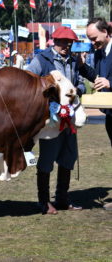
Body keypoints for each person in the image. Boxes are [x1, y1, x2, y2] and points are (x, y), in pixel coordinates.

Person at [26, 26, 86, 215]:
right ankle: (43, 202)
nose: (66, 46)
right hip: (52, 120)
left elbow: (80, 81)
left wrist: (79, 90)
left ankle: (62, 198)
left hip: (71, 118)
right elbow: (29, 80)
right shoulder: (41, 59)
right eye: (62, 42)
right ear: (54, 41)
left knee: (69, 157)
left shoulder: (74, 61)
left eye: (70, 43)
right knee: (46, 160)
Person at [78, 17, 112, 211]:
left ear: (106, 32)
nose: (92, 43)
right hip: (110, 114)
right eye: (90, 39)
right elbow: (98, 79)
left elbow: (107, 82)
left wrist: (110, 84)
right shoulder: (99, 54)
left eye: (94, 38)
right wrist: (82, 67)